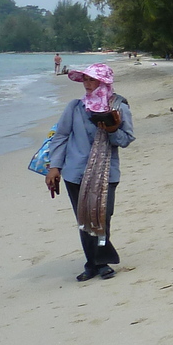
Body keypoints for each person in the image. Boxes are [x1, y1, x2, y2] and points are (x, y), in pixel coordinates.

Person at [44, 63, 135, 282]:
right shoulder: (75, 107)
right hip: (75, 172)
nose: (87, 84)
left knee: (103, 216)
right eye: (85, 79)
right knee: (84, 218)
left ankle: (101, 259)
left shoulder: (119, 107)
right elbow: (61, 136)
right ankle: (94, 263)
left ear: (104, 82)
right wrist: (54, 167)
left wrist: (113, 130)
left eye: (92, 80)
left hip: (106, 172)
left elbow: (127, 139)